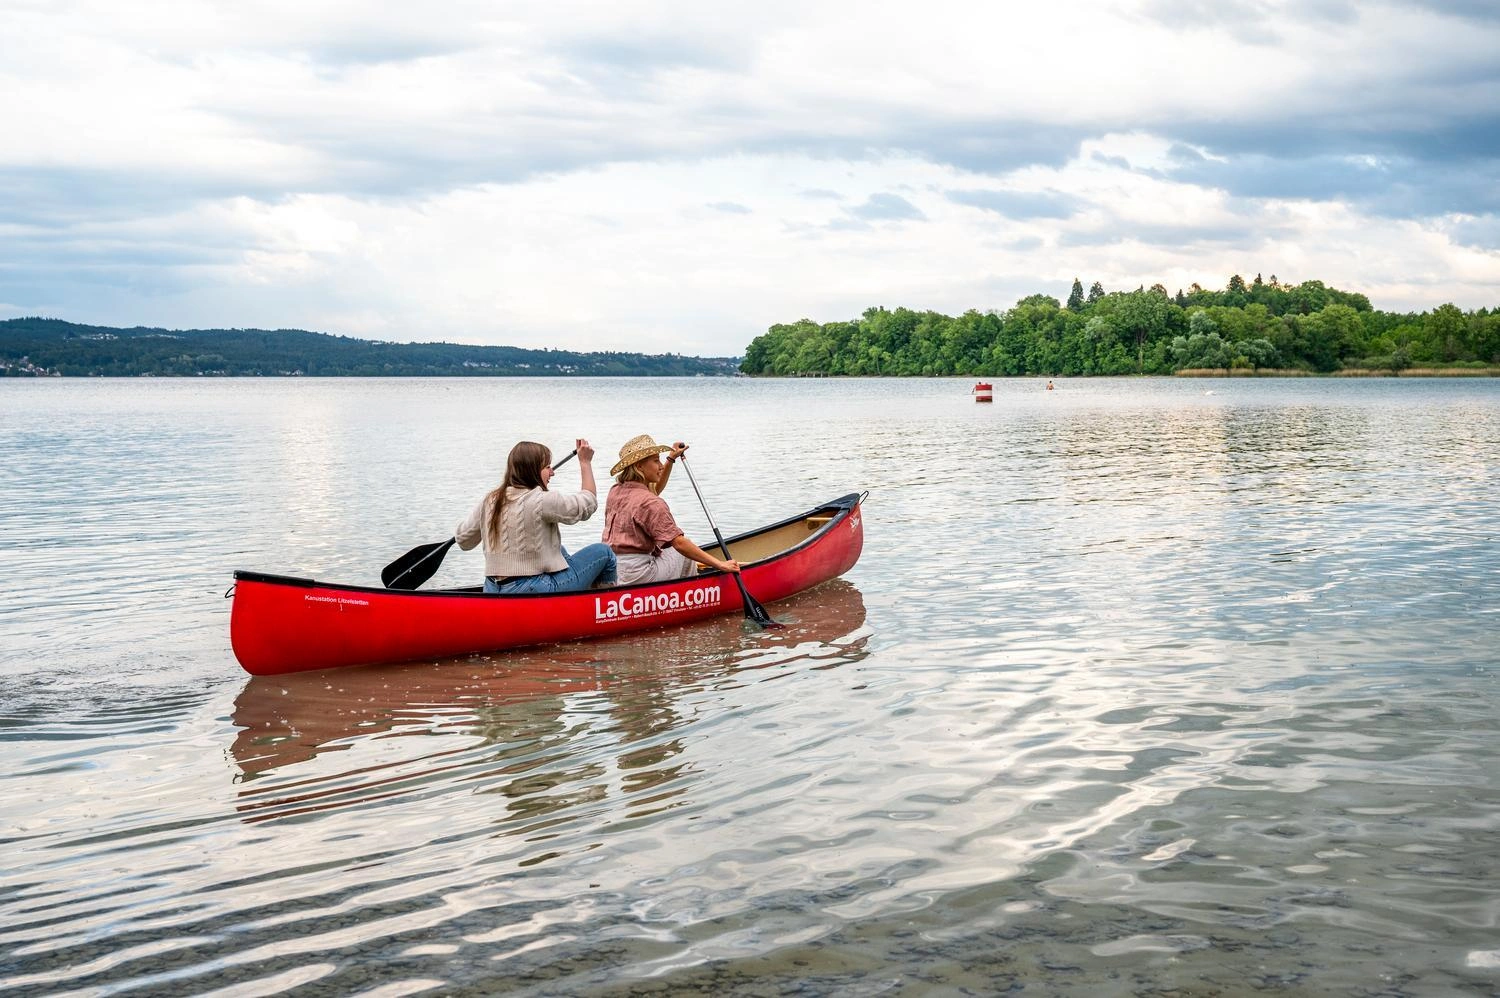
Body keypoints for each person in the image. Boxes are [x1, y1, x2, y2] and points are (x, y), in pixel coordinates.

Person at [455, 439, 617, 594]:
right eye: (547, 467)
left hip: (492, 588)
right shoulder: (541, 500)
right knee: (604, 552)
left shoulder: (490, 500)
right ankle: (601, 608)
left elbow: (463, 540)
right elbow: (587, 504)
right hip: (533, 588)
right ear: (532, 471)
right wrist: (585, 463)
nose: (552, 472)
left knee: (559, 550)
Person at [602, 434, 741, 585]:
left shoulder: (615, 491)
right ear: (639, 466)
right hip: (638, 574)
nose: (661, 466)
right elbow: (679, 543)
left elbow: (652, 491)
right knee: (683, 553)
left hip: (614, 570)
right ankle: (690, 594)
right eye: (656, 461)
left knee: (669, 550)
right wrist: (720, 564)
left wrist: (671, 459)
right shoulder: (650, 502)